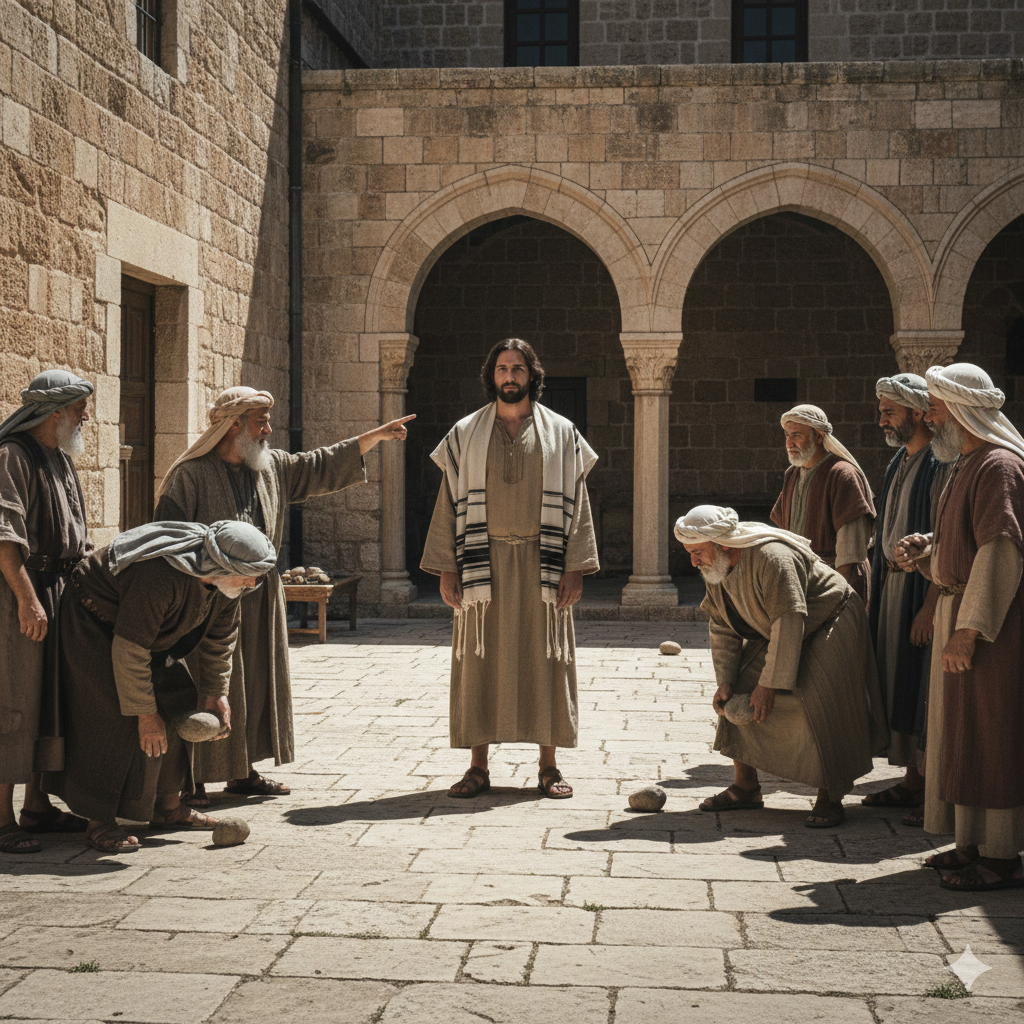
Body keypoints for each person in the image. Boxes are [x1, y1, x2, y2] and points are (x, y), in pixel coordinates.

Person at [155, 386, 414, 804]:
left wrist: (376, 436)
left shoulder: (271, 467)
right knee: (205, 683)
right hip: (205, 602)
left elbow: (319, 464)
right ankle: (191, 778)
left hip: (261, 600)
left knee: (255, 685)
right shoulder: (190, 476)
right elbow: (168, 540)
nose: (270, 429)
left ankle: (242, 771)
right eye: (261, 421)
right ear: (233, 425)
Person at [421, 338, 599, 800]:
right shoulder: (464, 433)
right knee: (478, 661)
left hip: (545, 562)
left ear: (532, 375)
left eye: (518, 368)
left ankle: (549, 766)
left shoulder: (562, 432)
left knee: (547, 659)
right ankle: (477, 767)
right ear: (492, 375)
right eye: (502, 368)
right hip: (484, 562)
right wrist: (446, 567)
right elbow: (448, 502)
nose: (510, 376)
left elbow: (579, 504)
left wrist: (575, 566)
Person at [43, 520, 278, 852]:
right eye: (248, 574)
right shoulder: (160, 575)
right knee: (111, 714)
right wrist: (144, 713)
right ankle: (100, 821)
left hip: (143, 635)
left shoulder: (228, 582)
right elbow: (130, 649)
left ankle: (169, 807)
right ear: (219, 565)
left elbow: (219, 638)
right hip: (94, 622)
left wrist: (216, 692)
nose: (253, 583)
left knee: (178, 698)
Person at [894, 363, 1024, 891]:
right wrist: (927, 552)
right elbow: (964, 546)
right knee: (961, 733)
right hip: (960, 609)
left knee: (991, 733)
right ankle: (969, 841)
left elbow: (1000, 552)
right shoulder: (963, 464)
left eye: (936, 406)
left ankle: (1001, 854)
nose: (929, 415)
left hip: (993, 626)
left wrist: (969, 629)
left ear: (962, 410)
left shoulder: (998, 466)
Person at [676, 505, 888, 828]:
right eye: (689, 553)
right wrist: (726, 682)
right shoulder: (715, 570)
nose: (693, 561)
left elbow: (790, 620)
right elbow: (721, 625)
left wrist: (769, 685)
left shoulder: (771, 558)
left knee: (823, 702)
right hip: (781, 627)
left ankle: (830, 797)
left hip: (832, 619)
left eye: (698, 552)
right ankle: (745, 787)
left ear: (722, 544)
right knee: (742, 688)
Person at [0, 370, 93, 855]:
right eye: (78, 411)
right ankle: (1, 820)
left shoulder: (59, 458)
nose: (84, 419)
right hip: (21, 598)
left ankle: (37, 805)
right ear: (54, 413)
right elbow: (4, 537)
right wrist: (27, 597)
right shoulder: (12, 456)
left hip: (59, 593)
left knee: (50, 700)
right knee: (14, 702)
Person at [862, 374, 950, 823]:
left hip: (920, 590)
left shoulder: (940, 463)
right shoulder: (899, 461)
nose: (882, 420)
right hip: (891, 589)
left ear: (918, 412)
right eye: (881, 411)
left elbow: (947, 540)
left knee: (920, 686)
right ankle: (912, 783)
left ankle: (930, 789)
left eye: (890, 411)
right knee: (896, 680)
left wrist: (931, 604)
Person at [771, 404, 875, 604]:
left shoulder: (843, 474)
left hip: (838, 583)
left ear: (818, 437)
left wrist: (837, 594)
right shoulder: (791, 474)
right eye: (786, 435)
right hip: (801, 581)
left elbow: (850, 551)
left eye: (796, 435)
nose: (789, 443)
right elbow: (782, 529)